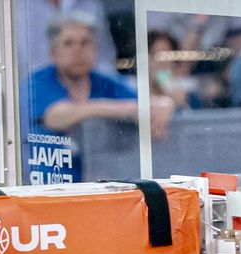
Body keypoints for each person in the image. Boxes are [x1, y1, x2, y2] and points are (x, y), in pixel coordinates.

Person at [21, 12, 171, 186]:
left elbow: (147, 102)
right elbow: (56, 116)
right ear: (53, 52)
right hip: (49, 187)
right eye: (68, 43)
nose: (78, 50)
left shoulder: (103, 82)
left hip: (102, 184)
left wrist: (165, 104)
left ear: (95, 49)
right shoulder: (38, 82)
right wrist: (126, 110)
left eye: (85, 43)